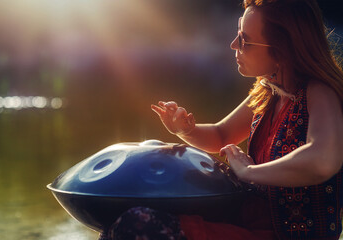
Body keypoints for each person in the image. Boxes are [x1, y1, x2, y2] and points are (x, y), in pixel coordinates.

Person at [101, 0, 343, 239]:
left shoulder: (319, 92)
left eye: (245, 41)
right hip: (251, 224)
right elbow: (221, 135)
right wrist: (185, 130)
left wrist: (249, 171)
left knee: (138, 225)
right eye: (238, 34)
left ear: (282, 49)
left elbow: (322, 160)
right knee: (122, 217)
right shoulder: (269, 91)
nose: (233, 44)